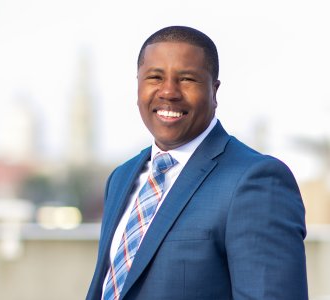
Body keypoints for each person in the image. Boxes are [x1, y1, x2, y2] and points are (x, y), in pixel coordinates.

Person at [87, 26, 308, 300]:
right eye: (155, 77)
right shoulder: (121, 178)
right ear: (138, 85)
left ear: (214, 91)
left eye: (187, 79)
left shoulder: (257, 181)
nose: (168, 92)